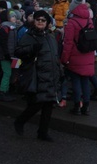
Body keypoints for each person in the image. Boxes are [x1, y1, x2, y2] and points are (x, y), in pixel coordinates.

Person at [13, 10, 61, 142]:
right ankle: (20, 121)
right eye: (38, 19)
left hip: (51, 75)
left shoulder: (50, 38)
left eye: (43, 20)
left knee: (48, 105)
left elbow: (55, 56)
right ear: (34, 21)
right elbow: (18, 52)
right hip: (36, 75)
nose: (40, 22)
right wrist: (32, 49)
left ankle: (43, 132)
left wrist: (59, 72)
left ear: (47, 23)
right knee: (38, 103)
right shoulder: (29, 36)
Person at [61, 0, 96, 115]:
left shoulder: (72, 22)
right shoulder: (89, 20)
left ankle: (77, 106)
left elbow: (68, 43)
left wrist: (64, 59)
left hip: (75, 56)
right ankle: (86, 106)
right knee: (85, 81)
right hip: (88, 54)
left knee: (75, 81)